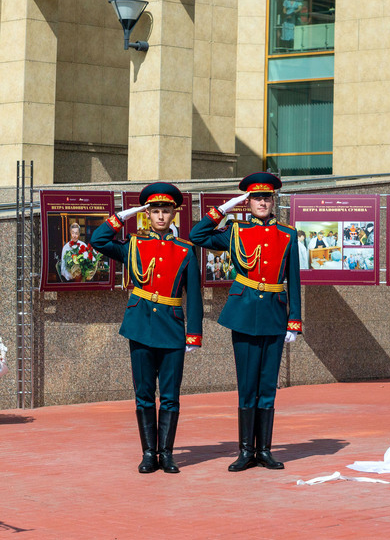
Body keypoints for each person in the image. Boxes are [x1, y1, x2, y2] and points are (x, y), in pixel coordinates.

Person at [190, 172, 302, 472]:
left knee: (267, 386)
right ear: (248, 202)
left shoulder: (288, 235)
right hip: (243, 314)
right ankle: (245, 451)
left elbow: (294, 281)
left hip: (275, 316)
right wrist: (225, 208)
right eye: (256, 198)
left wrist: (295, 320)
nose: (262, 202)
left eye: (266, 197)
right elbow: (197, 235)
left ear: (273, 200)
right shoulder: (235, 231)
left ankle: (264, 450)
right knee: (247, 385)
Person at [91, 183, 203, 474]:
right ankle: (148, 454)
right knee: (143, 394)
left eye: (166, 211)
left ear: (174, 214)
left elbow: (195, 296)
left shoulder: (186, 251)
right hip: (140, 325)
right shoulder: (134, 244)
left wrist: (194, 334)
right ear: (147, 214)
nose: (161, 216)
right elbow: (99, 240)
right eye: (155, 211)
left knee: (169, 394)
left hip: (171, 328)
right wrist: (126, 214)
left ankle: (166, 454)